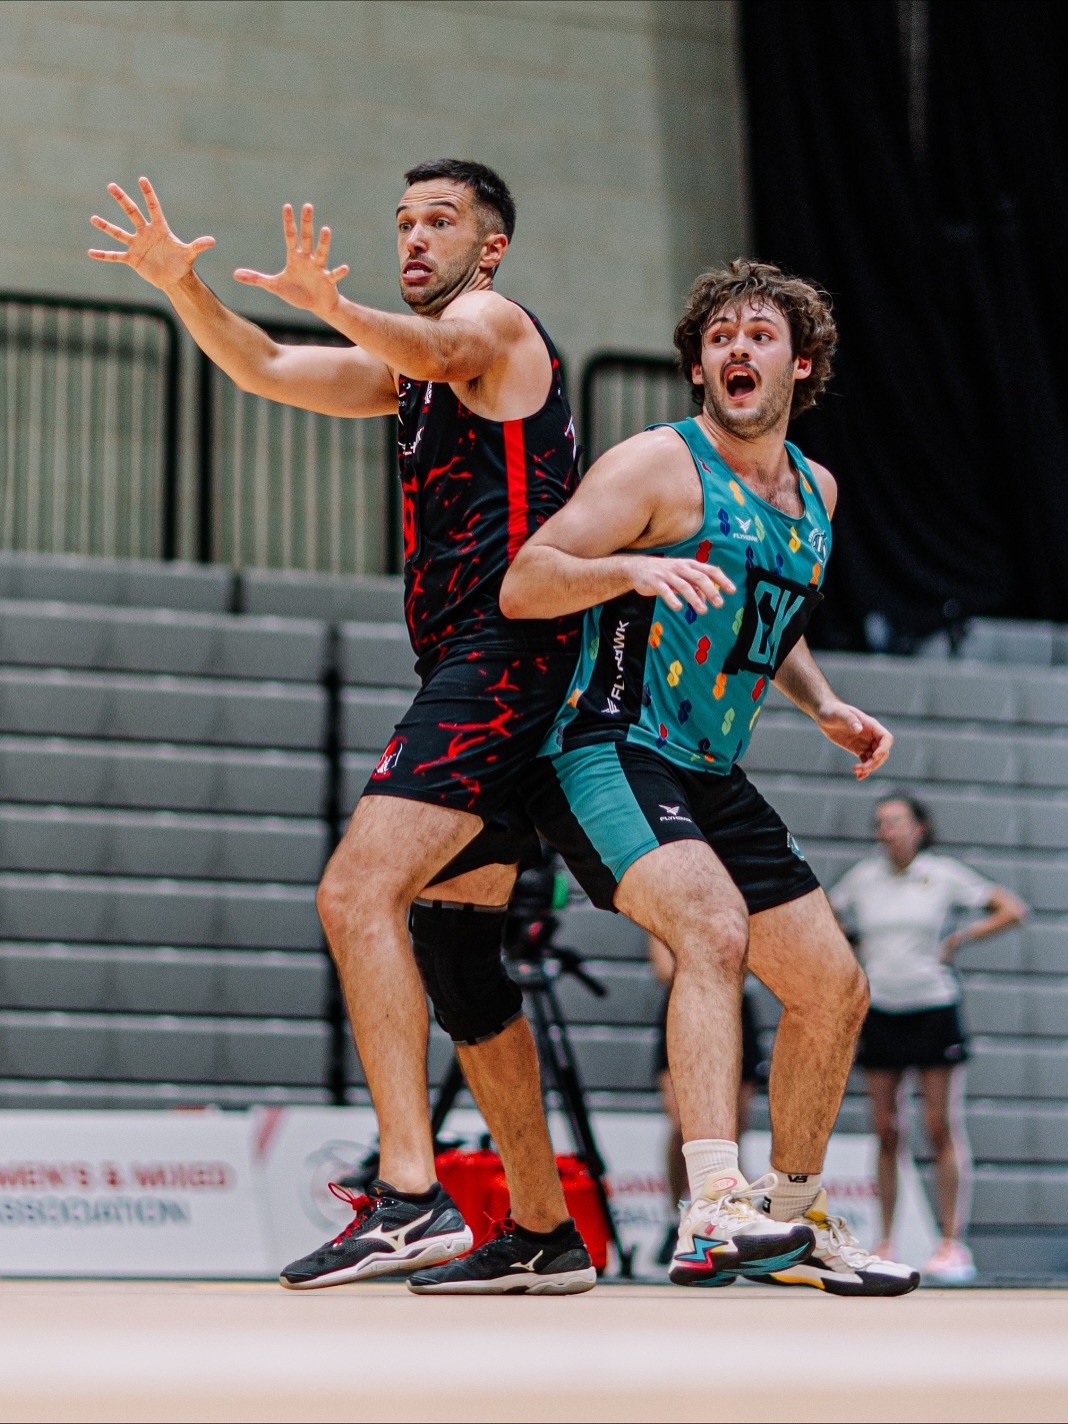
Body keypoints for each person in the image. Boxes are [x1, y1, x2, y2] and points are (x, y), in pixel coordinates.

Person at [89, 160, 597, 1294]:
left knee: (353, 890)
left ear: (491, 246)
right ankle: (542, 1229)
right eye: (404, 221)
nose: (416, 237)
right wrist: (184, 287)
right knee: (463, 955)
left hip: (508, 658)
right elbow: (267, 365)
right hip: (492, 665)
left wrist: (330, 299)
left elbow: (442, 349)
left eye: (442, 221)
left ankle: (409, 1197)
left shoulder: (491, 327)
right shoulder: (408, 372)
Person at [493, 259, 921, 1296]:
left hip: (709, 767)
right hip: (606, 743)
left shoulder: (816, 491)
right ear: (697, 367)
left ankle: (791, 1214)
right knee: (713, 927)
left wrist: (821, 702)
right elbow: (525, 580)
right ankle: (712, 1204)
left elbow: (768, 618)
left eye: (759, 333)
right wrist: (630, 568)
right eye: (719, 335)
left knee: (834, 987)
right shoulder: (656, 467)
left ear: (799, 362)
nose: (737, 347)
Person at [830, 794, 1027, 1283]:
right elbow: (826, 914)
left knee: (939, 1125)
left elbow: (1011, 909)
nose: (885, 830)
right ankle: (885, 1240)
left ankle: (951, 1243)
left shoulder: (943, 874)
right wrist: (853, 949)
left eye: (895, 821)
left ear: (918, 828)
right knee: (887, 1128)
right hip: (880, 1009)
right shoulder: (863, 878)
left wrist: (959, 940)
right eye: (879, 823)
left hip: (933, 1007)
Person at [648, 933, 762, 1266]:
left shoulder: (741, 897)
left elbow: (753, 964)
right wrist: (717, 961)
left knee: (734, 1131)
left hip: (735, 1011)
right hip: (682, 1012)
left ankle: (727, 1218)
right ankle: (677, 1217)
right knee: (683, 1124)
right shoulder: (666, 897)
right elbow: (665, 968)